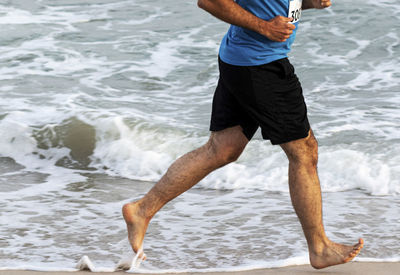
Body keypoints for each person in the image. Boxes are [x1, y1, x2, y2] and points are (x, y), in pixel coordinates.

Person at [123, 0, 364, 269]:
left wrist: (306, 3)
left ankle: (141, 210)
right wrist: (264, 26)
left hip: (241, 60)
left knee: (222, 149)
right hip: (260, 66)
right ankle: (319, 248)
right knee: (304, 152)